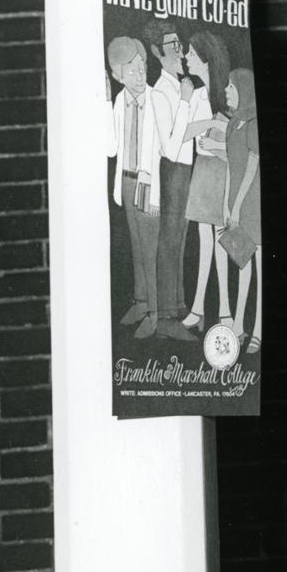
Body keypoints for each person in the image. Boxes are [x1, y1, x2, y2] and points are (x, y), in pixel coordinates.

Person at [141, 18, 197, 341]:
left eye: (179, 44)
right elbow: (172, 147)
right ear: (157, 52)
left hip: (186, 170)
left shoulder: (179, 85)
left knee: (181, 238)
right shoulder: (162, 92)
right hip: (172, 171)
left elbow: (186, 135)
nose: (179, 51)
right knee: (170, 240)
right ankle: (165, 316)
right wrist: (188, 102)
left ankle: (178, 305)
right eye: (172, 46)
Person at [105, 36, 163, 337]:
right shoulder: (118, 101)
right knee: (136, 246)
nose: (140, 76)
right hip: (126, 182)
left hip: (146, 182)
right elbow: (110, 148)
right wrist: (104, 102)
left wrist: (153, 195)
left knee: (150, 249)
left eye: (142, 68)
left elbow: (159, 150)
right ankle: (141, 302)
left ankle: (154, 312)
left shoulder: (156, 99)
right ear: (118, 77)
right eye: (132, 71)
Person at [179, 30, 232, 333]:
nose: (186, 57)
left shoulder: (228, 91)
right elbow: (189, 135)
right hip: (203, 171)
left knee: (222, 240)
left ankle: (224, 309)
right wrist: (212, 124)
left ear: (205, 58)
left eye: (190, 53)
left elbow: (236, 143)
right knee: (204, 241)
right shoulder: (198, 95)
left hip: (223, 171)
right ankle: (198, 309)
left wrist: (215, 142)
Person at [222, 68, 262, 354]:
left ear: (244, 90)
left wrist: (236, 204)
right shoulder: (232, 123)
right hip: (234, 201)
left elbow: (251, 166)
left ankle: (258, 329)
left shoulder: (254, 122)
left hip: (251, 202)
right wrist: (226, 201)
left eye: (231, 86)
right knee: (242, 264)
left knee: (258, 266)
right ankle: (238, 325)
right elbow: (229, 167)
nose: (226, 90)